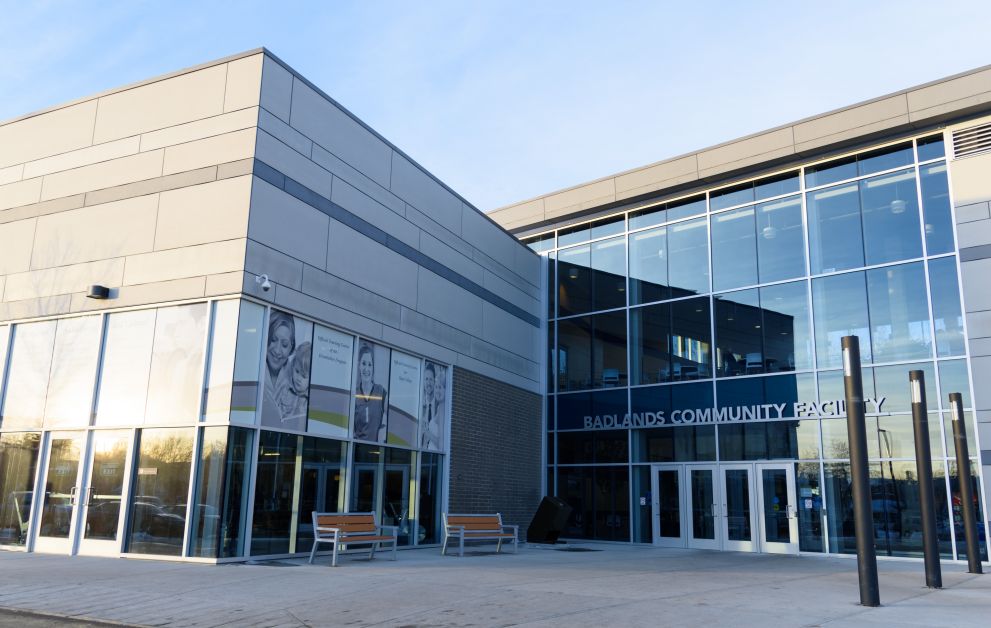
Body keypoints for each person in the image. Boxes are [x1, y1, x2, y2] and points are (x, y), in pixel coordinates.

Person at [262, 311, 295, 423]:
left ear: (291, 347)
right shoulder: (254, 371)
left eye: (284, 345)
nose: (277, 350)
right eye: (273, 340)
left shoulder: (296, 383)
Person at [353, 343, 386, 441]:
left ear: (373, 368)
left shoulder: (381, 391)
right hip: (357, 449)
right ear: (359, 365)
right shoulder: (354, 394)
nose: (366, 369)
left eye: (369, 364)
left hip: (376, 452)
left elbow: (390, 414)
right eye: (363, 364)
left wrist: (384, 426)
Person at [276, 341, 310, 424]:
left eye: (304, 376)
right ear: (293, 365)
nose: (299, 378)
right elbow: (272, 407)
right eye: (297, 371)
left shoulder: (311, 400)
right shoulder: (284, 386)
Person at [420, 364, 439, 449]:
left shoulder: (439, 406)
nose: (428, 383)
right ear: (423, 381)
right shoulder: (419, 406)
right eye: (426, 379)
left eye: (431, 379)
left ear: (434, 381)